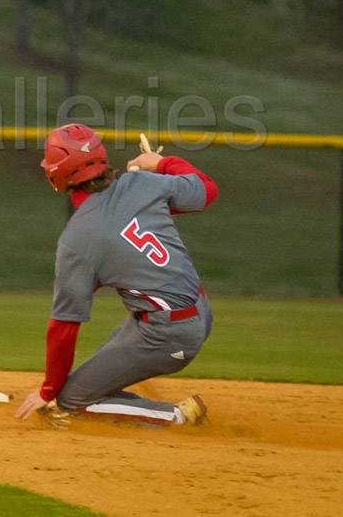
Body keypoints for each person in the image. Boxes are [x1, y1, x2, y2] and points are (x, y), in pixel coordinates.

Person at [14, 124, 217, 427]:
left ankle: (176, 416)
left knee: (71, 400)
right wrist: (161, 164)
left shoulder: (78, 239)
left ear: (58, 173)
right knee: (107, 355)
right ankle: (113, 398)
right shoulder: (143, 183)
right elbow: (207, 191)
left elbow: (64, 326)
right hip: (199, 311)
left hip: (166, 334)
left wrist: (49, 390)